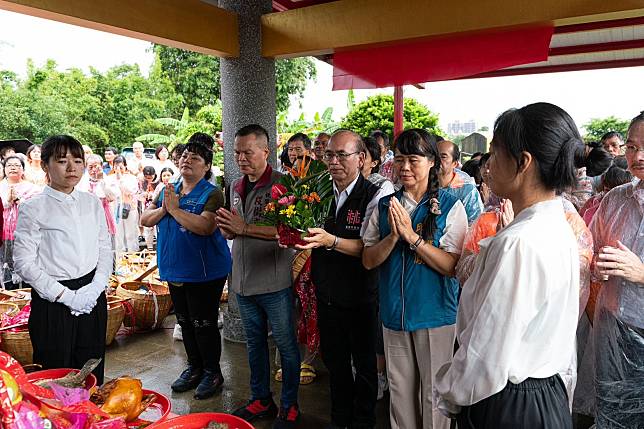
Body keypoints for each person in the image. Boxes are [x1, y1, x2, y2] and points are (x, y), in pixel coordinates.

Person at [434, 102, 603, 428]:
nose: (488, 164)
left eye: (496, 153)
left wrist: (450, 392)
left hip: (508, 403)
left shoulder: (518, 241)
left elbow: (485, 356)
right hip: (545, 395)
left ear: (523, 162)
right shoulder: (557, 226)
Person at [362, 129, 468, 429]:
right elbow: (368, 260)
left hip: (435, 316)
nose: (405, 167)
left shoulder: (451, 205)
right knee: (400, 392)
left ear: (432, 162)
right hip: (394, 314)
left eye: (414, 159)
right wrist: (393, 237)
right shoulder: (386, 206)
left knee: (434, 396)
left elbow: (451, 266)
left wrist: (411, 237)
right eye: (400, 159)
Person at [298, 130, 387, 429]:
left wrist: (330, 240)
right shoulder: (318, 194)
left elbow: (370, 247)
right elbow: (306, 231)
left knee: (364, 368)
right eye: (329, 155)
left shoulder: (374, 196)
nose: (334, 162)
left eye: (342, 155)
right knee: (335, 366)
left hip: (361, 298)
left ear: (361, 159)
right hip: (327, 295)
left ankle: (363, 423)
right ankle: (339, 420)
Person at [215, 124, 300, 429]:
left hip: (274, 283)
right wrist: (229, 228)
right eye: (236, 152)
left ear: (266, 151)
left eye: (247, 152)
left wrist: (244, 229)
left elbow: (291, 233)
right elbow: (237, 227)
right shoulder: (235, 186)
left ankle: (290, 405)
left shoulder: (283, 185)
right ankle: (261, 398)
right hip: (242, 281)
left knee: (286, 347)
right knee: (254, 345)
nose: (241, 158)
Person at [13, 135, 111, 384]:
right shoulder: (32, 207)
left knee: (91, 369)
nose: (72, 168)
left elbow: (104, 248)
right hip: (53, 302)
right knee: (57, 374)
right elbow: (24, 263)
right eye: (62, 161)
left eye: (77, 161)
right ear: (45, 165)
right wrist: (66, 297)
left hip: (92, 296)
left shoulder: (91, 203)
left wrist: (95, 290)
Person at [141, 138, 231, 400]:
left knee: (203, 323)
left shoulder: (212, 193)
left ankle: (212, 371)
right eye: (184, 156)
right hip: (174, 267)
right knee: (184, 321)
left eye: (195, 158)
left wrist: (175, 210)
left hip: (205, 271)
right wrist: (166, 209)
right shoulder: (168, 189)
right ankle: (194, 367)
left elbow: (205, 227)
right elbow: (145, 218)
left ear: (207, 167)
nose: (187, 160)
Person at [590, 111, 644, 428]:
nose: (639, 156)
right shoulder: (614, 199)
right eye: (633, 147)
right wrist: (597, 266)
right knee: (612, 414)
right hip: (614, 328)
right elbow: (593, 250)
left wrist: (640, 274)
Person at [0, 156, 41, 288]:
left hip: (26, 232)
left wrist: (18, 200)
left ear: (23, 169)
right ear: (4, 169)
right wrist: (7, 201)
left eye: (17, 165)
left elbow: (36, 208)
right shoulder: (1, 187)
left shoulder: (33, 188)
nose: (13, 167)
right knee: (6, 262)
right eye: (9, 165)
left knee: (26, 261)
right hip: (4, 233)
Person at [437, 140, 483, 224]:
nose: (436, 160)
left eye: (443, 157)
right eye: (434, 156)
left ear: (454, 163)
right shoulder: (423, 186)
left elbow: (476, 224)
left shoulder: (467, 191)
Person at [580, 156, 632, 225]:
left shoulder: (633, 209)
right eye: (607, 191)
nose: (610, 197)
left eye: (618, 193)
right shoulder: (593, 203)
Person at [77, 154, 118, 240]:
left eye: (96, 166)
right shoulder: (81, 181)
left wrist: (102, 180)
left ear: (101, 166)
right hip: (87, 216)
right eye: (90, 167)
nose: (93, 170)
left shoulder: (108, 179)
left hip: (105, 214)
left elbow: (112, 198)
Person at [110, 156, 140, 253]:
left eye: (120, 167)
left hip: (129, 208)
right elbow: (110, 193)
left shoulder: (132, 178)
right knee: (118, 234)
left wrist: (121, 179)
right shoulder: (109, 178)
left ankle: (133, 254)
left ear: (125, 166)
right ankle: (120, 257)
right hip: (115, 209)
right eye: (116, 166)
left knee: (131, 233)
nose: (118, 169)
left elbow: (130, 191)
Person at [139, 166, 158, 250]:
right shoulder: (142, 182)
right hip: (146, 206)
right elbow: (139, 193)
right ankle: (149, 247)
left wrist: (153, 194)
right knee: (147, 228)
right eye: (147, 178)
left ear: (154, 175)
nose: (149, 179)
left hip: (157, 207)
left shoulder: (159, 182)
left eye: (151, 177)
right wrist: (144, 194)